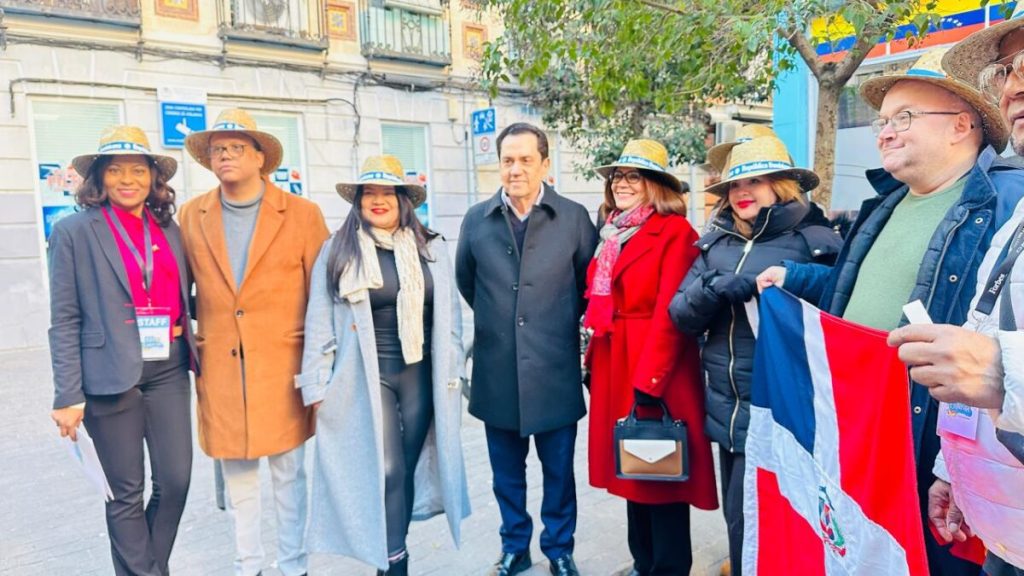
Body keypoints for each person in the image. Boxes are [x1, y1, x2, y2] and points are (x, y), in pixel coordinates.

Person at [756, 47, 1022, 576]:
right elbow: (857, 287)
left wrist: (952, 464)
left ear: (960, 126)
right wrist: (796, 279)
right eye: (882, 121)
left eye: (904, 117)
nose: (884, 132)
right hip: (857, 431)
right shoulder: (883, 204)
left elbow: (988, 335)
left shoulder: (1007, 200)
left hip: (926, 443)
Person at [880, 17, 1024, 575]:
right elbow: (981, 334)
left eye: (905, 118)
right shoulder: (1015, 216)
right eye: (1007, 70)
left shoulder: (994, 198)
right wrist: (954, 470)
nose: (1014, 85)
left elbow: (989, 361)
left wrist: (1006, 372)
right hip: (1004, 528)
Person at [668, 135, 841, 576]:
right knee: (740, 522)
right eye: (734, 185)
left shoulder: (816, 241)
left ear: (781, 184)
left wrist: (796, 279)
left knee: (787, 524)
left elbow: (841, 305)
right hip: (728, 414)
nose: (742, 192)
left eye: (757, 181)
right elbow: (680, 315)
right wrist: (711, 289)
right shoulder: (714, 245)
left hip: (787, 414)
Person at [295, 155, 470, 575]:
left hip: (420, 376)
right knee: (387, 469)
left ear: (402, 200)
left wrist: (454, 373)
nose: (377, 200)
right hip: (365, 379)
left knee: (405, 468)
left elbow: (450, 320)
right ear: (357, 201)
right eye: (368, 193)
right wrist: (316, 389)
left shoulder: (431, 248)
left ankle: (393, 552)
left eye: (386, 192)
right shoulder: (338, 250)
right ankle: (395, 562)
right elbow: (319, 321)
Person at [178, 108, 329, 576]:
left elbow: (323, 296)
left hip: (282, 367)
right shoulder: (191, 214)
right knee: (238, 477)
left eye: (236, 148)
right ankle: (249, 565)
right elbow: (180, 288)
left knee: (289, 476)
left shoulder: (302, 215)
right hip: (222, 368)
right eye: (218, 149)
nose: (225, 156)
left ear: (261, 157)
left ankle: (294, 565)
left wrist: (323, 366)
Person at [48, 125, 196, 576]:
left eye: (138, 170)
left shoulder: (169, 229)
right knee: (125, 492)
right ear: (99, 178)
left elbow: (188, 295)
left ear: (154, 178)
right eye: (115, 171)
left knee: (175, 481)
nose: (127, 179)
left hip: (169, 367)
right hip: (107, 372)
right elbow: (65, 317)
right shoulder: (73, 231)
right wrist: (67, 394)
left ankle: (148, 567)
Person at [455, 122, 598, 576]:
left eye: (525, 160)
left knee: (559, 474)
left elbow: (585, 285)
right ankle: (515, 546)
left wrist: (545, 321)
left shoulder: (573, 217)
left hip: (553, 369)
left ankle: (559, 548)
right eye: (507, 161)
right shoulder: (476, 219)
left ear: (545, 164)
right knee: (506, 476)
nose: (515, 170)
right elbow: (467, 280)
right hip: (497, 372)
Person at [582, 139, 719, 576]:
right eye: (617, 176)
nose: (621, 183)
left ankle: (668, 567)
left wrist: (651, 380)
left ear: (655, 185)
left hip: (653, 366)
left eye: (633, 176)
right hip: (613, 360)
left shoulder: (675, 233)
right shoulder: (613, 231)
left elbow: (672, 313)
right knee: (630, 471)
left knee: (661, 473)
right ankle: (643, 563)